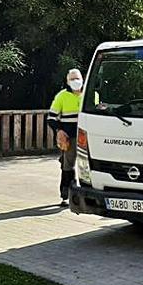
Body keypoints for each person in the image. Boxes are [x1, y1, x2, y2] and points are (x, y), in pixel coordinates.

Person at [48, 69, 84, 206]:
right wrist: (59, 131)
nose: (76, 81)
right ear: (68, 81)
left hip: (86, 136)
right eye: (72, 79)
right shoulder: (62, 96)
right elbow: (51, 117)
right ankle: (66, 194)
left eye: (77, 78)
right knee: (68, 165)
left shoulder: (91, 94)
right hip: (69, 137)